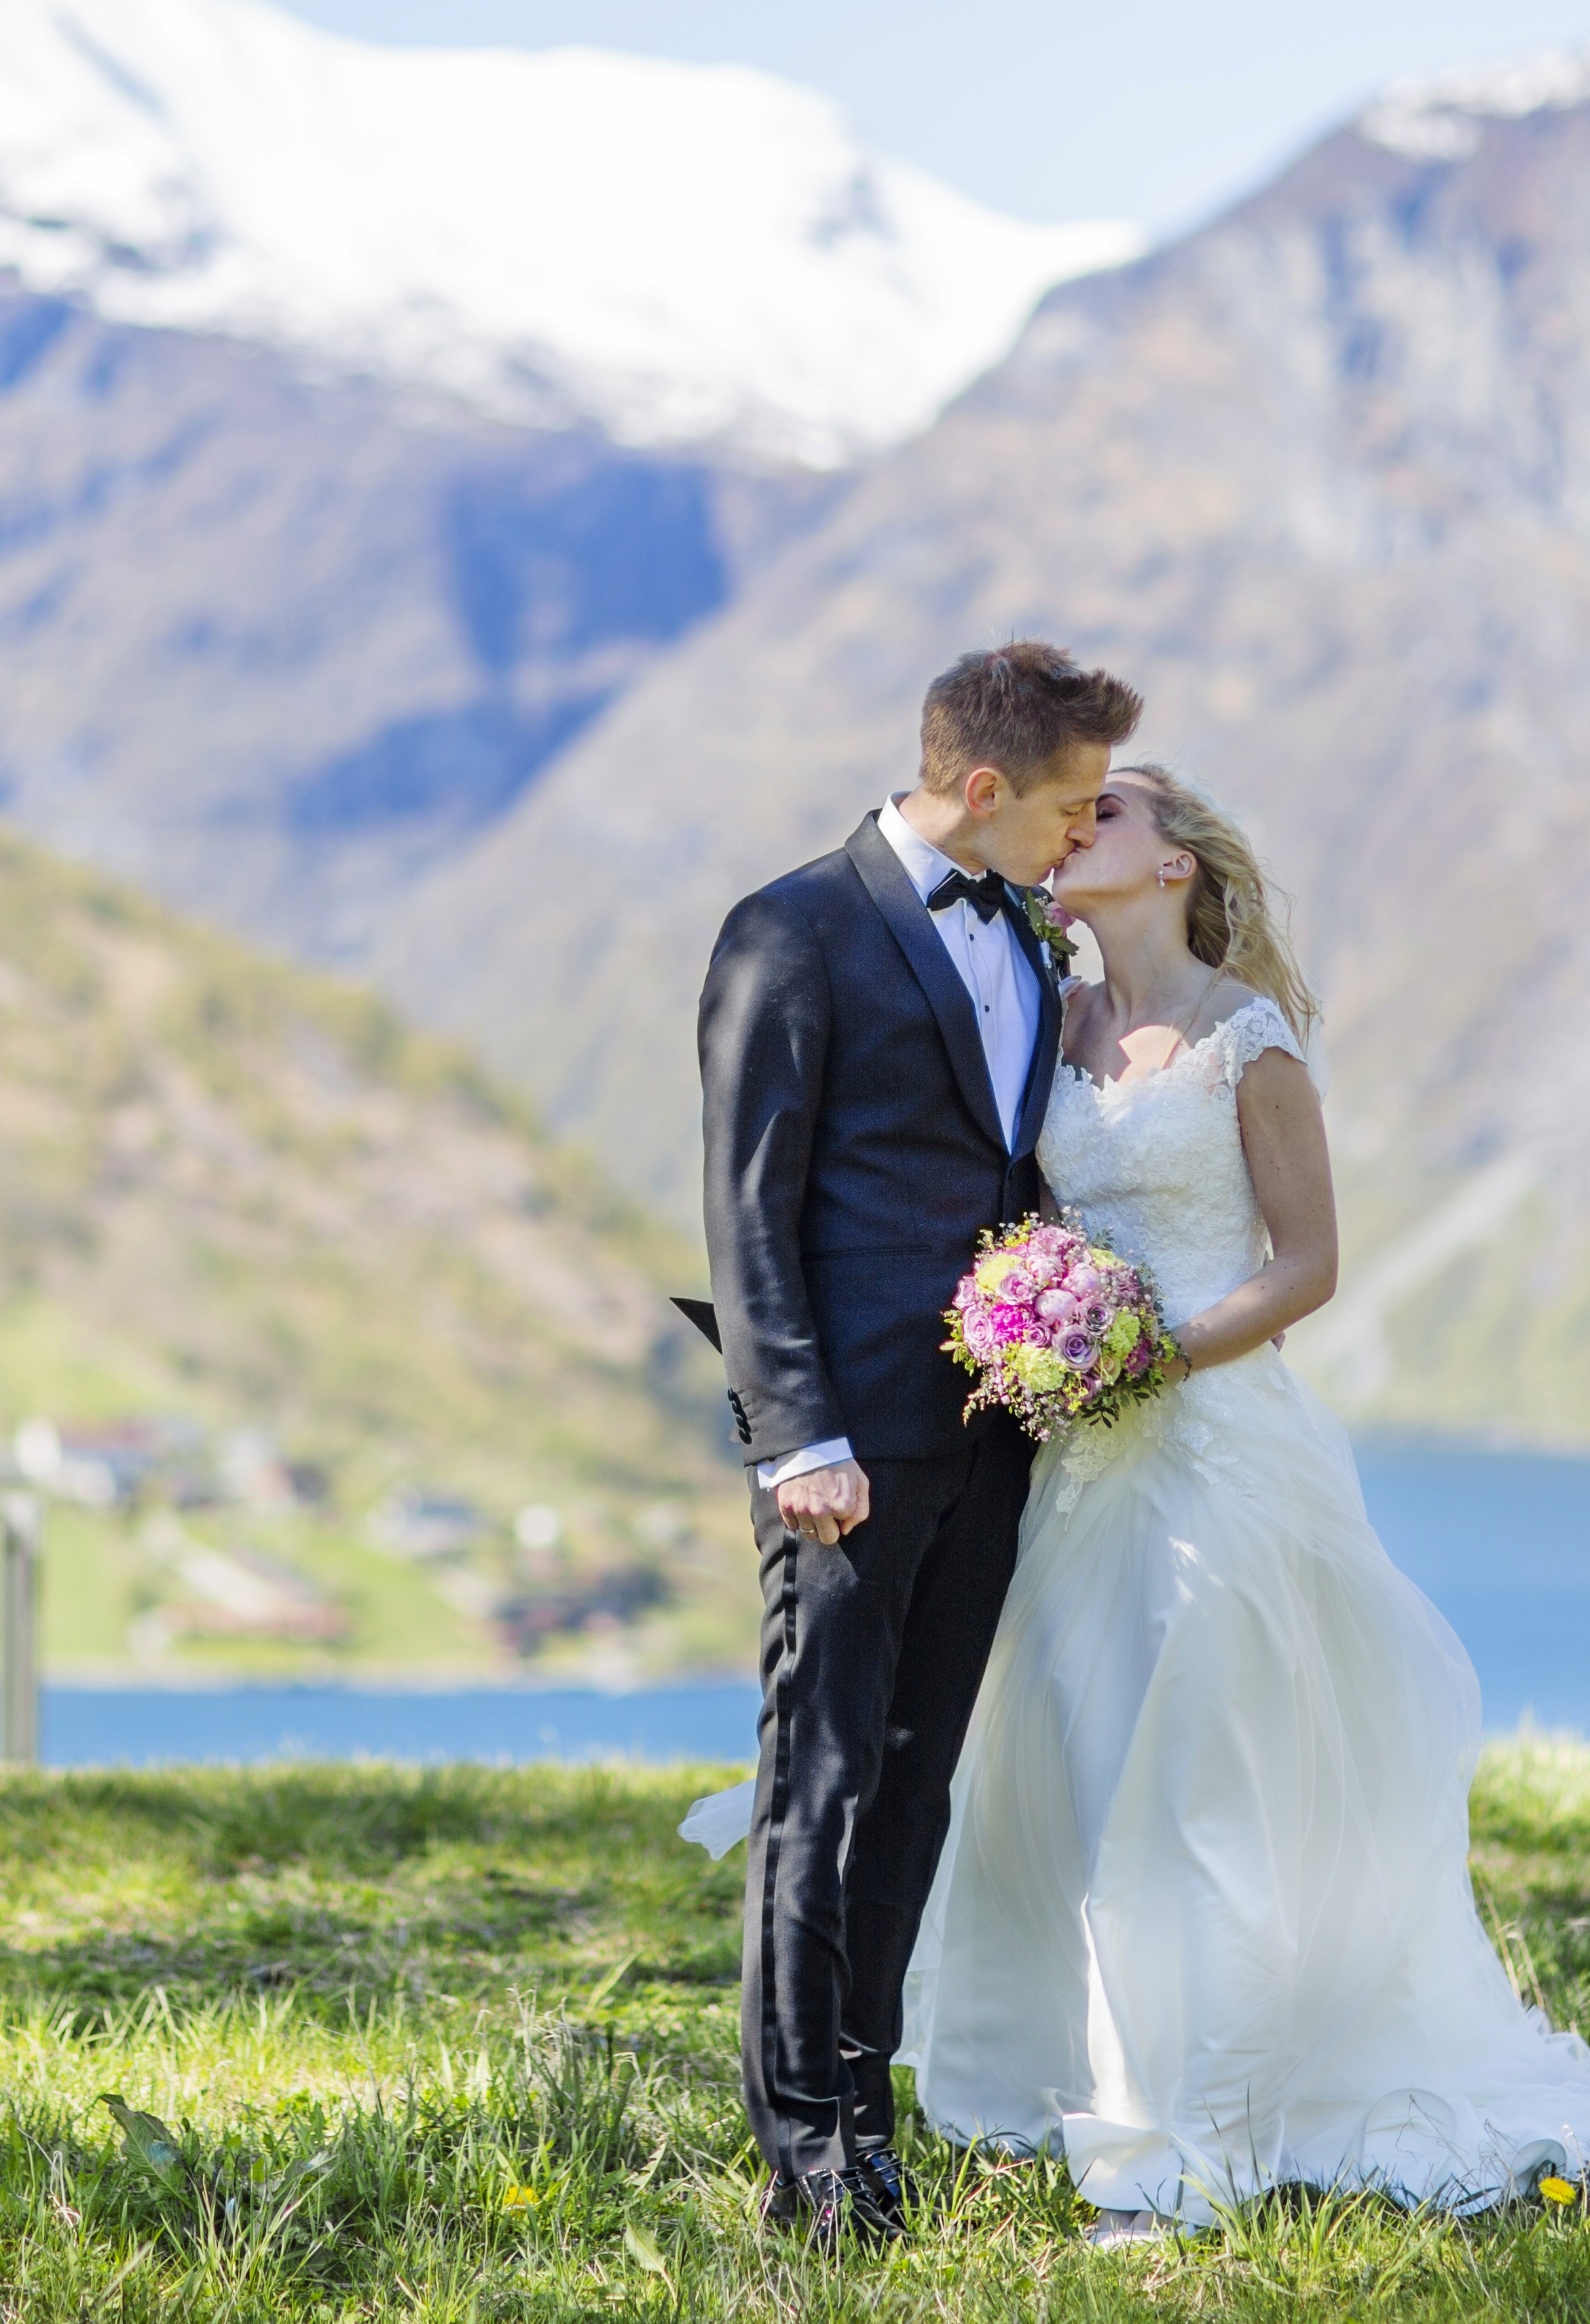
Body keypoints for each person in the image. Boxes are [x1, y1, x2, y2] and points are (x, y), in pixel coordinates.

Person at [901, 762, 1590, 2238]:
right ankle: (1076, 2084)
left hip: (1212, 1455)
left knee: (1192, 1794)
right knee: (1070, 1780)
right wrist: (1033, 1329)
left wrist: (1143, 1356)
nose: (1071, 827)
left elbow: (1306, 1268)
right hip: (1077, 1467)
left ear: (1177, 864)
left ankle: (1188, 2139)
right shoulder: (1052, 1028)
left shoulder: (1249, 1041)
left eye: (1105, 811)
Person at [695, 640, 1141, 2248]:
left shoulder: (1027, 924)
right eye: (1070, 808)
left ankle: (867, 2101)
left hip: (989, 1438)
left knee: (916, 1781)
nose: (1083, 838)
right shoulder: (791, 931)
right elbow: (748, 1210)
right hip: (846, 1453)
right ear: (979, 788)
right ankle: (809, 2159)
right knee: (817, 1783)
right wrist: (795, 1433)